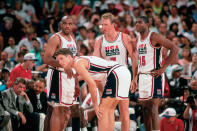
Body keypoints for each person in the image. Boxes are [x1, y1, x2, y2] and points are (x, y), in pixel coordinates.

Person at [55, 48, 131, 131]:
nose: (59, 62)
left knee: (102, 111)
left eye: (61, 58)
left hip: (115, 72)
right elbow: (99, 84)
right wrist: (101, 101)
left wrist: (96, 106)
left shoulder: (78, 64)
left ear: (69, 57)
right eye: (57, 60)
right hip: (123, 72)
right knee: (109, 110)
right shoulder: (83, 64)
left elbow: (92, 85)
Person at [93, 12, 138, 131]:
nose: (104, 27)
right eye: (102, 25)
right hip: (108, 78)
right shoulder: (100, 40)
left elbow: (134, 58)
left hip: (122, 75)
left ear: (113, 25)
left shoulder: (124, 37)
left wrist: (134, 78)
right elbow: (95, 61)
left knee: (124, 110)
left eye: (106, 24)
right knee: (108, 109)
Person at [134, 16, 178, 131]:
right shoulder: (138, 39)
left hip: (154, 75)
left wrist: (163, 68)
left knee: (154, 107)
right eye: (136, 22)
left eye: (140, 22)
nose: (137, 24)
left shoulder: (153, 36)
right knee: (145, 109)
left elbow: (174, 48)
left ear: (148, 24)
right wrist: (135, 78)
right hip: (142, 76)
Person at [43, 15, 79, 131]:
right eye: (65, 23)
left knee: (65, 110)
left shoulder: (72, 38)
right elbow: (47, 59)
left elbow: (73, 62)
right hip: (57, 75)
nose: (67, 26)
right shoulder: (55, 38)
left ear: (73, 25)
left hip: (69, 77)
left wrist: (76, 82)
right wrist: (63, 65)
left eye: (70, 23)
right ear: (60, 25)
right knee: (57, 109)